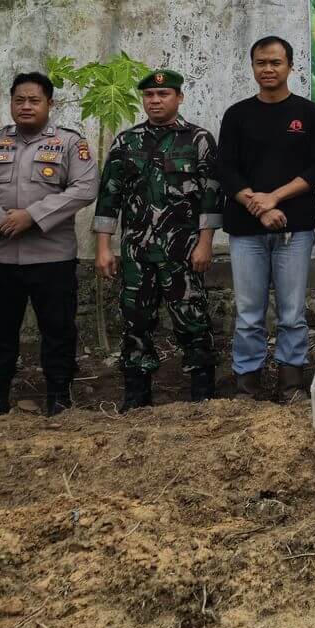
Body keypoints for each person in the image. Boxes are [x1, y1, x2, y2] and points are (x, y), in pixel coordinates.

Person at [0, 72, 97, 416]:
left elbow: (85, 188)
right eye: (20, 100)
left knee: (58, 331)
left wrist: (31, 216)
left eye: (35, 100)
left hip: (52, 258)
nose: (26, 106)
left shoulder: (68, 143)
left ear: (50, 104)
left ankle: (60, 398)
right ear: (11, 103)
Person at [93, 68, 223, 410]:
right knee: (135, 321)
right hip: (137, 252)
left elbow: (211, 196)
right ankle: (137, 398)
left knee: (192, 319)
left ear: (179, 98)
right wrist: (104, 247)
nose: (155, 100)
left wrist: (206, 242)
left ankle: (202, 395)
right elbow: (109, 196)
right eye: (149, 95)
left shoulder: (198, 140)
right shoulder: (127, 142)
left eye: (163, 95)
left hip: (184, 251)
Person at [216, 36, 315, 401]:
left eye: (275, 63)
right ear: (252, 67)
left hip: (295, 229)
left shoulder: (308, 113)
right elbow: (225, 167)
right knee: (249, 312)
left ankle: (291, 383)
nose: (268, 69)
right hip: (246, 230)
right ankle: (246, 384)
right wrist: (258, 205)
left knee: (292, 312)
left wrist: (275, 198)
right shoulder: (237, 114)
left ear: (290, 67)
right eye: (261, 63)